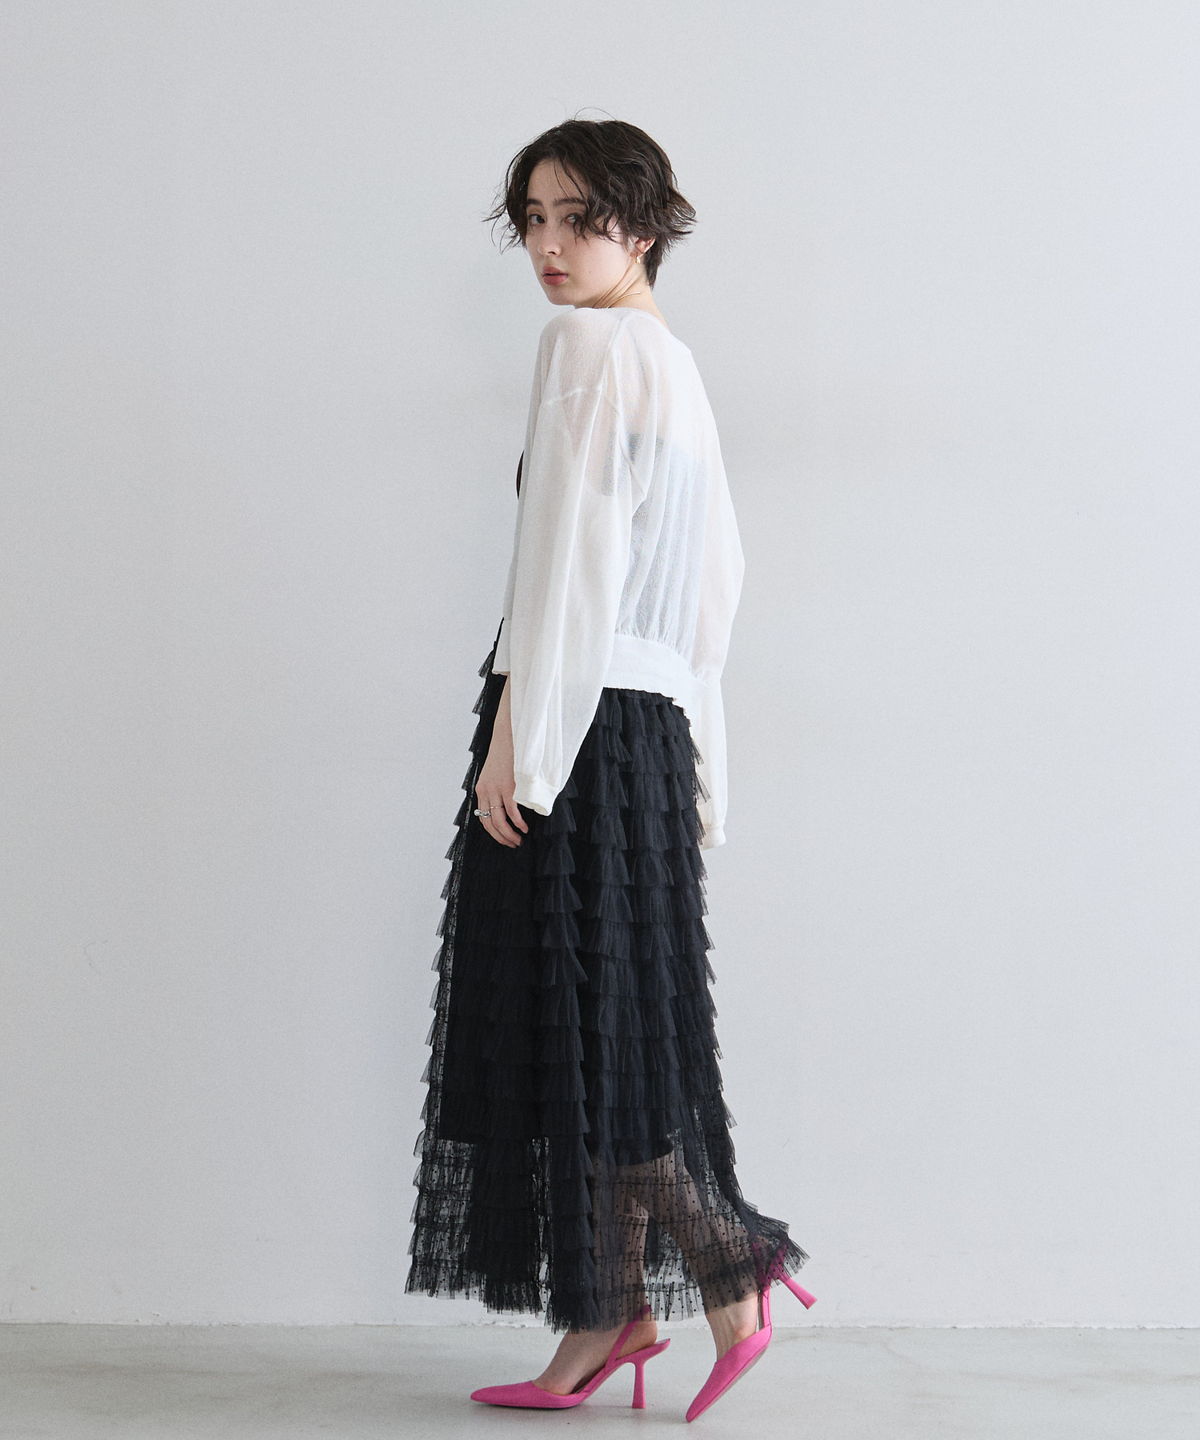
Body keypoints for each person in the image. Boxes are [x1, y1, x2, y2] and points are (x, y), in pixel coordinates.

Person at [405, 116, 816, 1422]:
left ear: (641, 226)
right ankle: (613, 1314)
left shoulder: (584, 349)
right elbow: (712, 587)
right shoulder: (673, 366)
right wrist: (699, 766)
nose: (549, 244)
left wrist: (521, 741)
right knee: (608, 1031)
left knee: (578, 1031)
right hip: (644, 735)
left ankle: (727, 1272)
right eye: (533, 219)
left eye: (578, 218)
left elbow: (566, 567)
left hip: (572, 726)